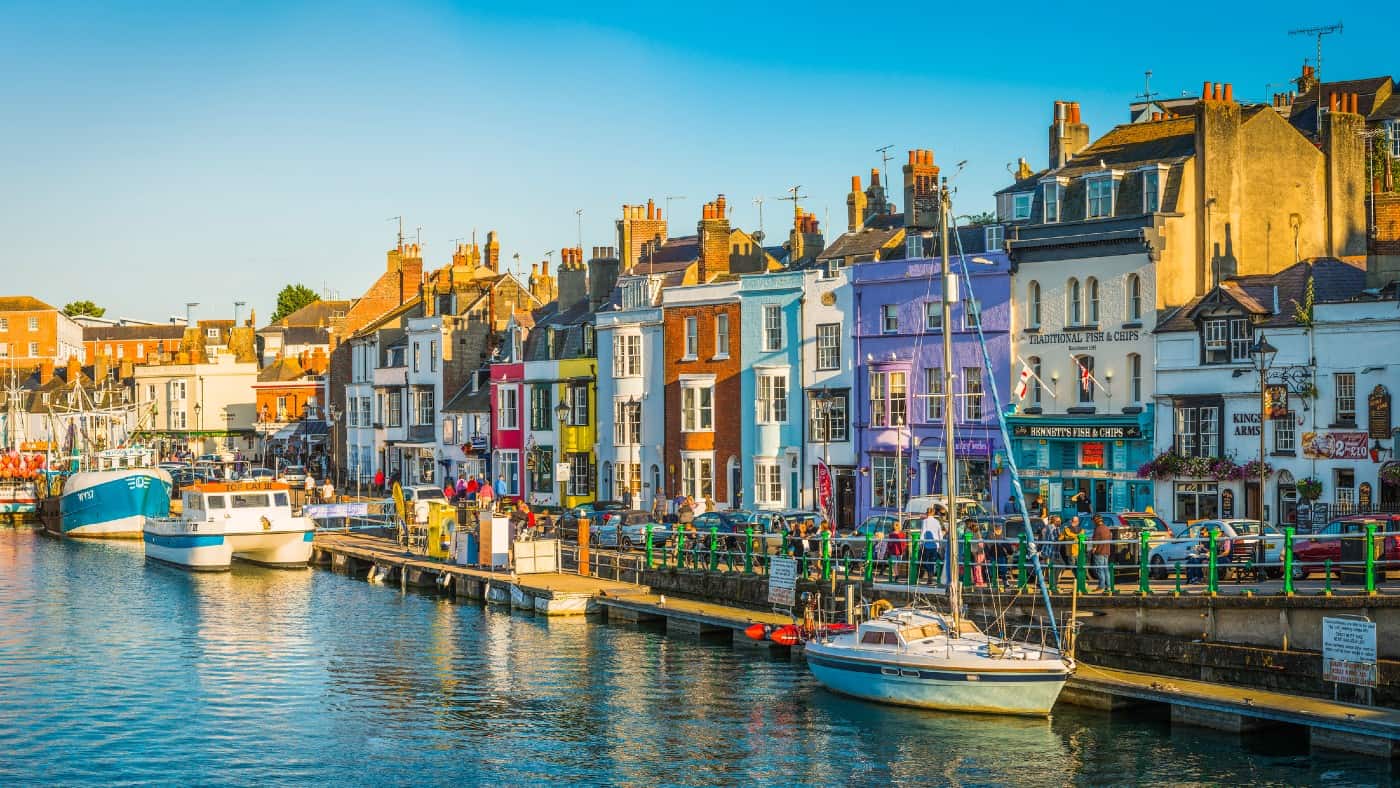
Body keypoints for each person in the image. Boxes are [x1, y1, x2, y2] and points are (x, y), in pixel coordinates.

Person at [920, 506, 944, 584]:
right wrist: (941, 543)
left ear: (927, 513)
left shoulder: (925, 521)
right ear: (933, 513)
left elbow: (923, 532)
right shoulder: (937, 521)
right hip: (935, 545)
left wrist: (921, 542)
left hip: (927, 544)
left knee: (924, 561)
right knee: (932, 561)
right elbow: (940, 533)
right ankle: (930, 575)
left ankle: (930, 574)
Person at [1059, 516, 1085, 587]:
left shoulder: (1066, 530)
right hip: (1079, 551)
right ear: (1078, 522)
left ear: (1071, 521)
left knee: (1072, 567)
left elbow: (1060, 538)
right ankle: (1080, 580)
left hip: (1071, 551)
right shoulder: (1082, 530)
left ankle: (1078, 579)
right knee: (1079, 566)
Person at [1090, 515, 1113, 592]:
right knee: (1106, 569)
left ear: (1096, 521)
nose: (1093, 523)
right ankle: (1108, 586)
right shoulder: (1107, 528)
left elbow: (1095, 541)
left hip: (1099, 552)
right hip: (1107, 551)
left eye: (1093, 521)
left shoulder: (1097, 529)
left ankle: (1101, 585)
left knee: (1100, 569)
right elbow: (1110, 538)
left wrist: (1093, 549)